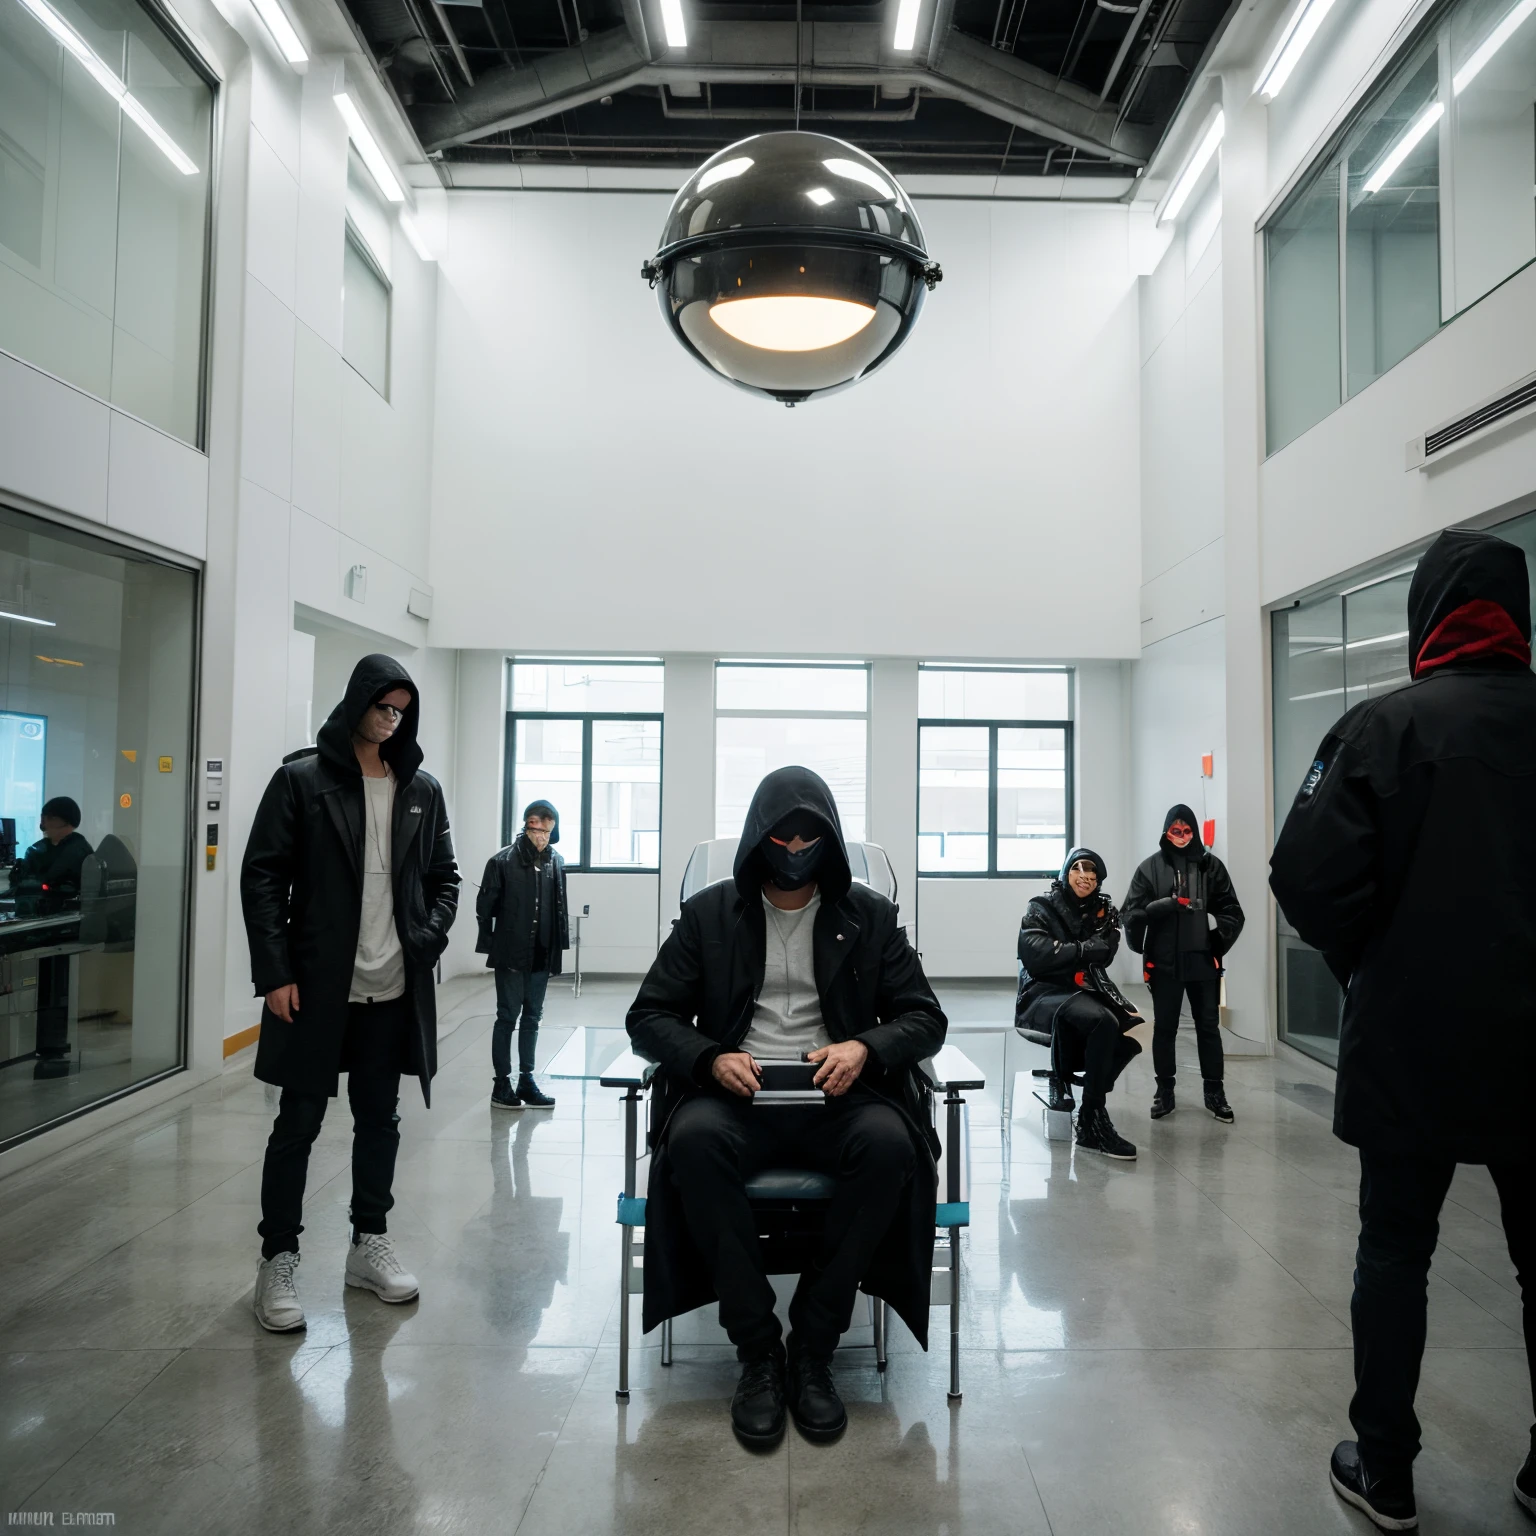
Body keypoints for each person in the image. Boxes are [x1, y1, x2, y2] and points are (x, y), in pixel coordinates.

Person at [1270, 527, 1536, 1533]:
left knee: (1395, 1253)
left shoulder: (1382, 728)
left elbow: (1305, 877)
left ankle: (1383, 1469)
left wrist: (1368, 964)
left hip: (1413, 1047)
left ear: (1427, 614)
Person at [627, 766, 946, 1448]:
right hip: (737, 1097)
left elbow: (925, 1020)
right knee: (692, 1144)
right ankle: (758, 1352)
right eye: (783, 837)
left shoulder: (871, 916)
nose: (796, 850)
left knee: (891, 1146)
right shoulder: (710, 913)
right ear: (757, 840)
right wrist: (710, 1056)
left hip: (840, 1096)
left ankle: (814, 1345)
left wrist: (863, 1046)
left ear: (830, 841)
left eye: (811, 839)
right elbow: (649, 1016)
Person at [242, 654, 460, 1333]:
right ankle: (277, 1258)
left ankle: (369, 1243)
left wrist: (424, 937)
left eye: (401, 711)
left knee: (380, 1119)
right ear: (358, 702)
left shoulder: (420, 788)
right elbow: (263, 877)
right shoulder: (301, 781)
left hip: (391, 987)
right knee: (297, 1126)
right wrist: (274, 972)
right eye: (382, 707)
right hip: (315, 987)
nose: (391, 720)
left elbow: (447, 878)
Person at [1015, 848, 1144, 1161]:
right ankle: (1091, 1119)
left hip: (1085, 990)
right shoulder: (1041, 906)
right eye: (1078, 869)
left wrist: (1066, 951)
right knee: (1103, 1022)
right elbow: (1036, 955)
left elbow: (1107, 952)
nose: (1084, 876)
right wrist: (1084, 949)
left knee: (1129, 1034)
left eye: (1092, 872)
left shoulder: (1104, 912)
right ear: (1065, 873)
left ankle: (1086, 1104)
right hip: (1042, 993)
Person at [1122, 806, 1245, 1124]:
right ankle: (1164, 1092)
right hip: (1164, 964)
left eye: (1186, 830)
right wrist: (1156, 914)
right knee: (1164, 1029)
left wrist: (1217, 941)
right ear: (1166, 833)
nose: (1180, 836)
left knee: (1208, 1027)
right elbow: (1131, 913)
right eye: (1174, 831)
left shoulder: (1211, 867)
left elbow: (1232, 909)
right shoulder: (1149, 868)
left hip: (1203, 962)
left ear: (1194, 832)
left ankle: (1214, 1093)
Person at [476, 800, 568, 1110]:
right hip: (511, 954)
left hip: (541, 955)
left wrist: (558, 951)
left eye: (546, 828)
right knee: (507, 1016)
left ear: (553, 830)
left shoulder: (555, 861)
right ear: (525, 825)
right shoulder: (502, 861)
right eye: (534, 826)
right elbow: (484, 909)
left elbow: (559, 910)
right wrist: (493, 948)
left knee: (532, 1018)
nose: (539, 833)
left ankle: (526, 1079)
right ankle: (501, 1083)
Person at [12, 796, 94, 1079]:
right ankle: (46, 1044)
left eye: (48, 816)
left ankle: (53, 1045)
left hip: (62, 926)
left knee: (55, 982)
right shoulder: (40, 848)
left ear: (63, 820)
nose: (43, 821)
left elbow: (51, 879)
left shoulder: (77, 848)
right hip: (39, 921)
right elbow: (29, 881)